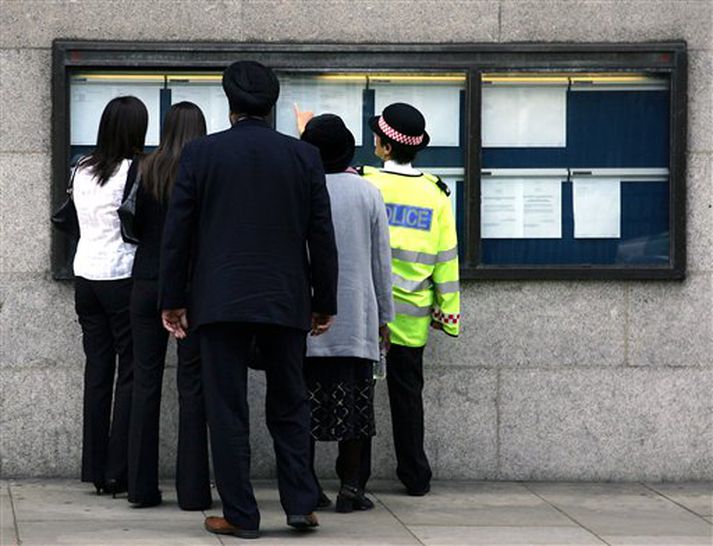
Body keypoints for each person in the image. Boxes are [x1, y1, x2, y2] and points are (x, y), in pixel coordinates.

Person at [159, 61, 338, 539]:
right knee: (290, 403)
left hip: (217, 300)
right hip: (286, 297)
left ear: (229, 104)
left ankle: (241, 514)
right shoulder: (302, 157)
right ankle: (301, 504)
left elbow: (178, 234)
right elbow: (321, 234)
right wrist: (325, 299)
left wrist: (173, 298)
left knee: (227, 408)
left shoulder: (201, 154)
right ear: (272, 104)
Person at [362, 102, 461, 496]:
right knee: (407, 400)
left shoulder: (366, 183)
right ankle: (416, 477)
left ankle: (357, 477)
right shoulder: (436, 194)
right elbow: (446, 261)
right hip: (412, 318)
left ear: (384, 146)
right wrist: (448, 315)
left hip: (369, 315)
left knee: (361, 400)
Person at [299, 114, 394, 513]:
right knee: (355, 409)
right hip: (357, 317)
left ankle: (306, 487)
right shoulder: (368, 192)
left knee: (300, 409)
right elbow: (380, 262)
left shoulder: (301, 188)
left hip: (306, 321)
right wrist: (385, 317)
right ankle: (351, 487)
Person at [127, 102, 212, 510]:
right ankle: (193, 491)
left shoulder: (145, 168)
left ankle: (140, 488)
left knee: (146, 382)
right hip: (194, 286)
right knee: (192, 387)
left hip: (146, 280)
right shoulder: (206, 169)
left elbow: (134, 224)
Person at [72, 95, 148, 496]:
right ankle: (119, 470)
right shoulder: (135, 171)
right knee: (131, 373)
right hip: (122, 276)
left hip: (86, 276)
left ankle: (95, 469)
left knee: (97, 372)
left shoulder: (82, 168)